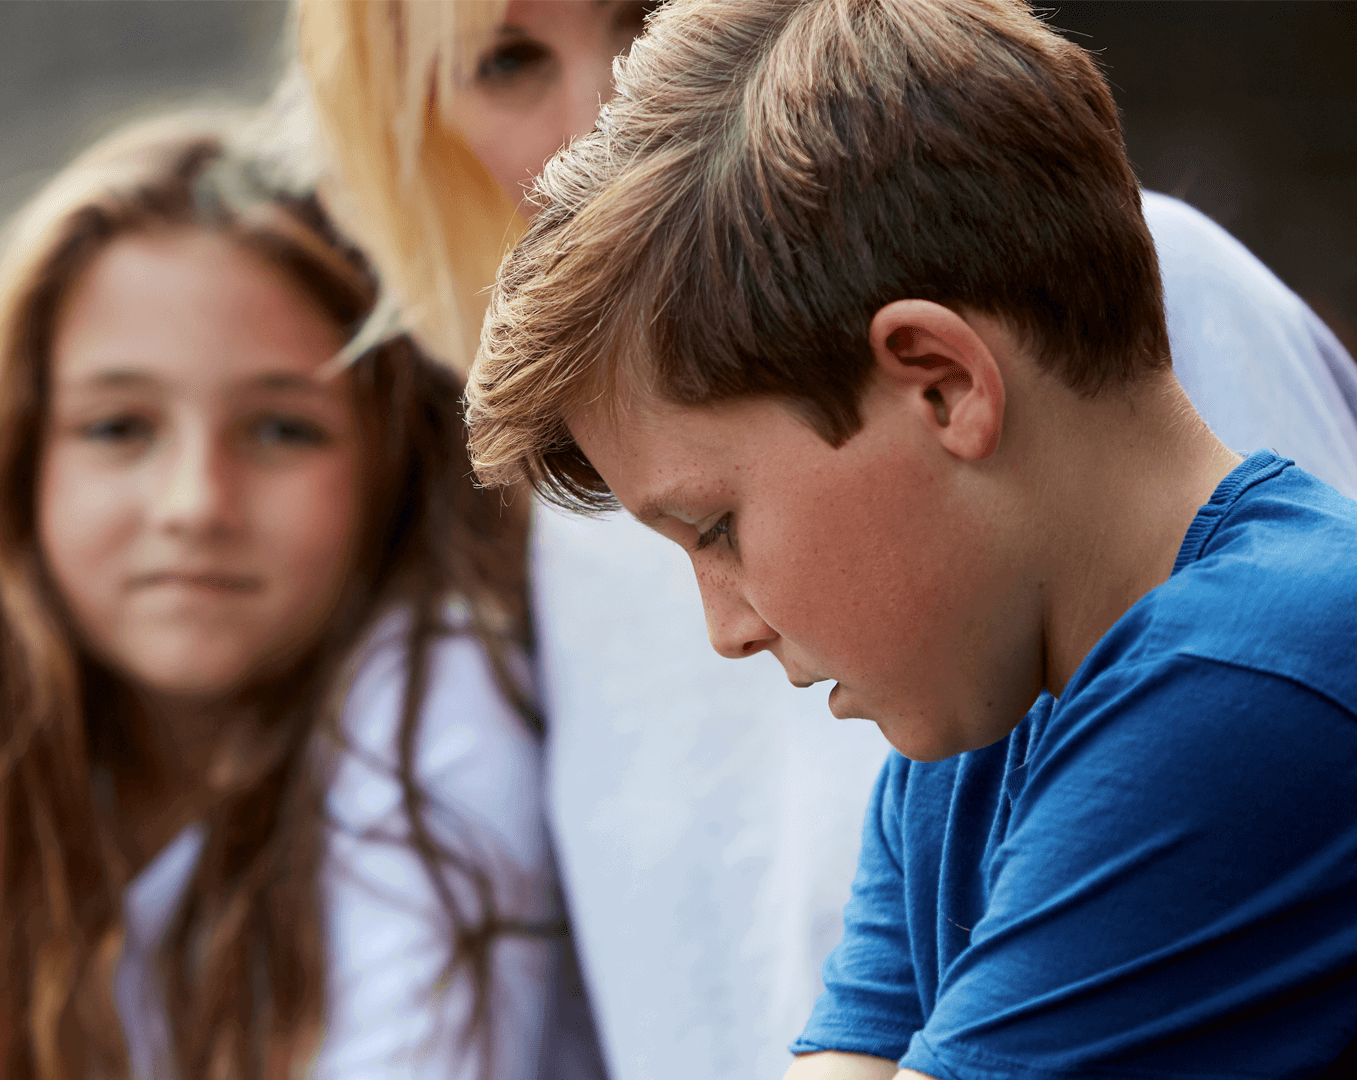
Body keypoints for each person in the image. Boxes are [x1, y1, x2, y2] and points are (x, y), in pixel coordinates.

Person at [295, 3, 1357, 1076]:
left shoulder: (1250, 685)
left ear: (940, 384)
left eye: (717, 529)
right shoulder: (983, 700)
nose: (726, 629)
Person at [0, 113, 559, 1080]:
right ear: (22, 458)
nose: (197, 503)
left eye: (281, 430)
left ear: (390, 461)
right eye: (119, 428)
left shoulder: (432, 704)